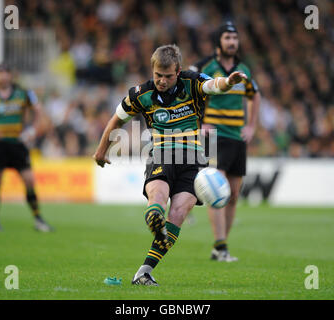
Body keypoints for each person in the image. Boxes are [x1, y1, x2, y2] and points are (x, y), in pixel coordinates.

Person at [93, 44, 247, 285]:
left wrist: (228, 82)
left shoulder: (192, 82)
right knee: (158, 197)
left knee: (177, 215)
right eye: (157, 75)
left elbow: (213, 86)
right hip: (162, 153)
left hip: (193, 160)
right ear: (152, 71)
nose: (162, 81)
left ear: (178, 71)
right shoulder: (140, 94)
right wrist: (101, 151)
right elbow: (116, 120)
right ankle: (154, 214)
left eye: (167, 76)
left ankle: (143, 272)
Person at [190, 22, 260, 262]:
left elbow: (254, 95)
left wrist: (251, 126)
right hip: (215, 136)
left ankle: (221, 246)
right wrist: (200, 123)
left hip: (237, 136)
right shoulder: (204, 66)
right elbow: (188, 92)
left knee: (232, 195)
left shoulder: (244, 69)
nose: (232, 42)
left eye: (235, 37)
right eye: (228, 37)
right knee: (215, 188)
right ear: (218, 41)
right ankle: (220, 247)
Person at [0, 63, 53, 232]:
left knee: (29, 180)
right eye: (0, 73)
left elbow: (38, 110)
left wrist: (33, 130)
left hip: (17, 143)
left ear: (10, 75)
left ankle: (38, 219)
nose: (4, 76)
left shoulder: (23, 93)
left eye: (6, 73)